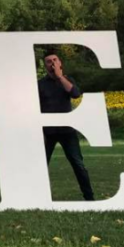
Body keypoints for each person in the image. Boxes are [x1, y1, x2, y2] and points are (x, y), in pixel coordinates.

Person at [38, 50, 94, 201]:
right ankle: (36, 196)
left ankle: (89, 198)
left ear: (60, 62)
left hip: (67, 131)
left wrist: (60, 77)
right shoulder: (40, 85)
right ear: (45, 65)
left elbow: (75, 93)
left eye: (55, 60)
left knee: (78, 164)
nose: (53, 63)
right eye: (49, 61)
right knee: (40, 165)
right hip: (47, 132)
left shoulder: (67, 80)